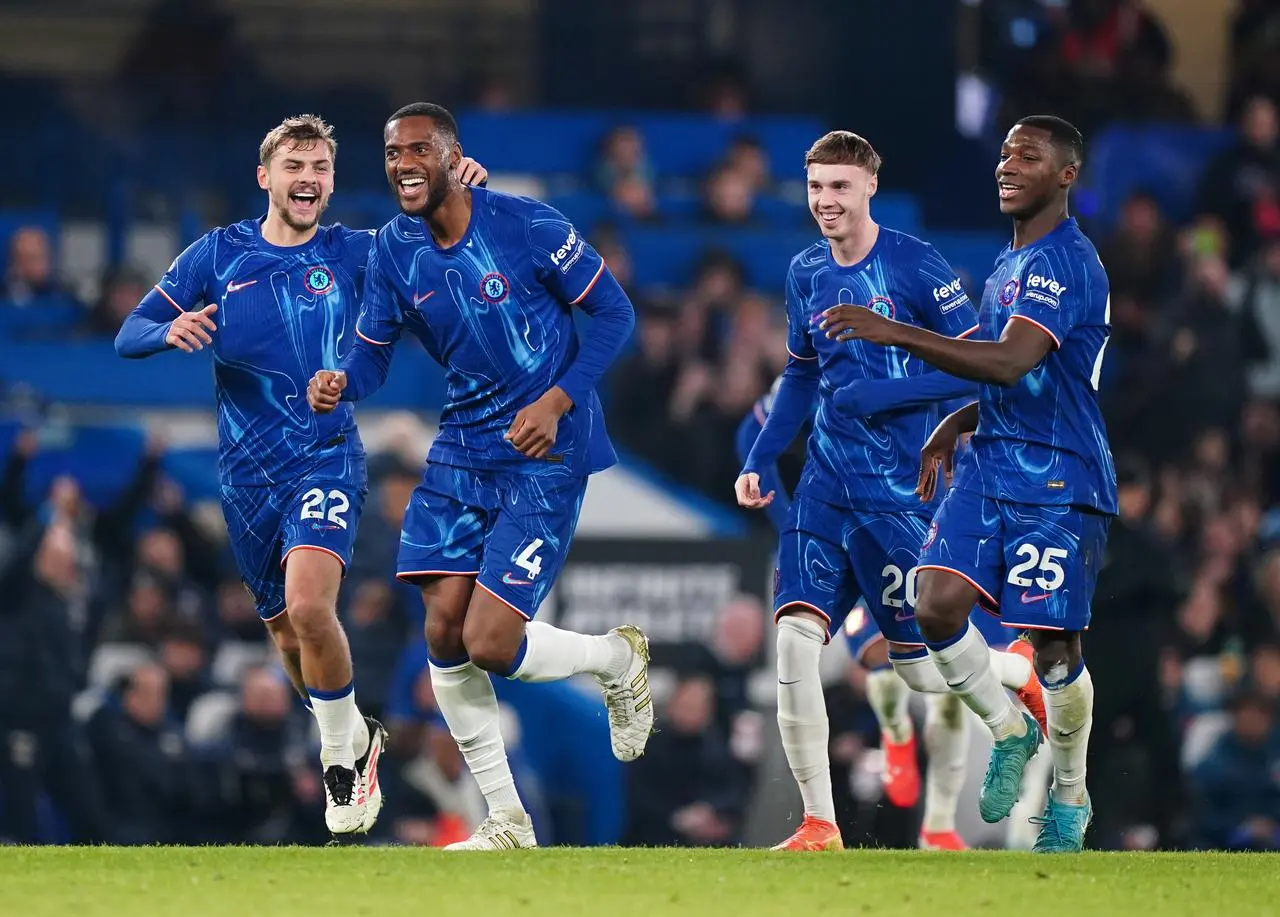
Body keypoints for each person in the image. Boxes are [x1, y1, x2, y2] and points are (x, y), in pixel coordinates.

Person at [114, 113, 489, 836]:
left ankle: (342, 758)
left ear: (331, 180)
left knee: (312, 609)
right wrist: (169, 330)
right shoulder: (217, 254)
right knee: (288, 639)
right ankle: (355, 738)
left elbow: (443, 230)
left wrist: (464, 185)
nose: (308, 179)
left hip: (325, 455)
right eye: (295, 166)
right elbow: (131, 333)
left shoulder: (353, 251)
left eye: (320, 168)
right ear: (267, 177)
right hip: (246, 480)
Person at [307, 102, 651, 851]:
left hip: (548, 445)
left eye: (420, 149)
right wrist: (343, 379)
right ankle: (507, 819)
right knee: (440, 627)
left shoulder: (527, 225)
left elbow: (617, 315)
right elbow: (372, 351)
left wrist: (558, 401)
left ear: (453, 156)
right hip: (466, 443)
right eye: (393, 150)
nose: (402, 162)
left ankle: (617, 658)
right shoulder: (394, 252)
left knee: (492, 640)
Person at [734, 131, 1046, 852]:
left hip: (902, 492)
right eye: (815, 188)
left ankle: (1012, 676)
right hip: (824, 487)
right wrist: (760, 453)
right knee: (793, 640)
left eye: (839, 187)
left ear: (870, 186)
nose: (825, 202)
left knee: (921, 669)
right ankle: (820, 822)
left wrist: (888, 393)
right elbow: (802, 372)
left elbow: (983, 365)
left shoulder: (914, 264)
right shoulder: (807, 269)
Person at [819, 115, 1115, 853]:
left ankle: (1071, 797)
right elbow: (1013, 373)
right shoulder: (1009, 264)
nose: (1008, 164)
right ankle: (1010, 727)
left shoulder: (1065, 263)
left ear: (1066, 175)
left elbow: (1013, 360)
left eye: (1030, 155)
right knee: (934, 605)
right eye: (1007, 151)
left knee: (1054, 651)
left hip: (1058, 478)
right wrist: (959, 419)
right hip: (993, 461)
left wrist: (898, 334)